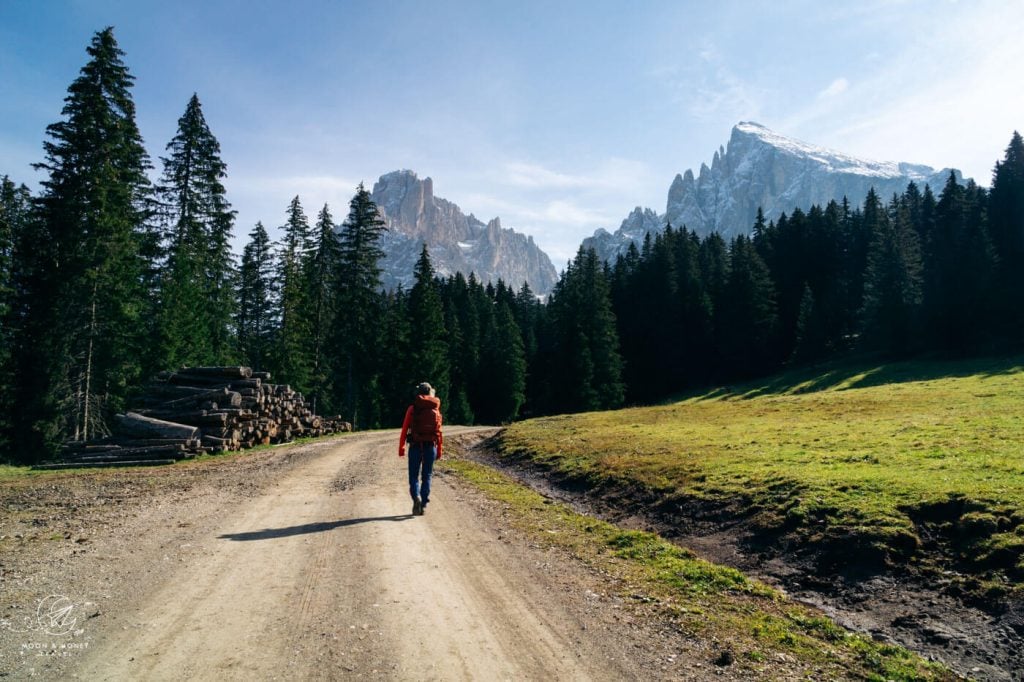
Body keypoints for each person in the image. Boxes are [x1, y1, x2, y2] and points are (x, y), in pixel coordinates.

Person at [398, 382, 443, 516]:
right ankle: (423, 503)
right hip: (430, 446)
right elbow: (439, 432)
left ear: (418, 393)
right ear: (430, 393)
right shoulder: (435, 408)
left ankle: (416, 497)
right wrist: (439, 449)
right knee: (427, 475)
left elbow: (405, 429)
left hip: (415, 445)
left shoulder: (412, 408)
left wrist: (401, 447)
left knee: (414, 476)